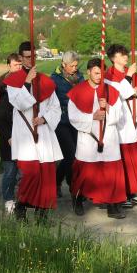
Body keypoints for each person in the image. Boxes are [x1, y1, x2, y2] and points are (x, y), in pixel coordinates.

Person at [3, 53, 63, 221]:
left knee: (46, 178)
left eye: (33, 56)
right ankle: (21, 207)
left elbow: (55, 107)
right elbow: (21, 103)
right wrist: (27, 81)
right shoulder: (14, 81)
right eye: (27, 57)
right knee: (31, 176)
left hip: (44, 135)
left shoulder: (45, 81)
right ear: (21, 59)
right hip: (25, 137)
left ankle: (42, 215)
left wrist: (44, 119)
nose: (31, 59)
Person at [68, 58, 127, 219]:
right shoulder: (78, 91)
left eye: (102, 73)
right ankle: (78, 198)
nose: (99, 76)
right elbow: (72, 116)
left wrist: (108, 107)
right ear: (88, 72)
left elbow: (120, 115)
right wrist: (92, 117)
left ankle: (113, 206)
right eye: (96, 72)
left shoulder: (112, 91)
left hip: (108, 138)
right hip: (89, 138)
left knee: (111, 173)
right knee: (86, 172)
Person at [105, 44, 137, 207]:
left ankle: (134, 187)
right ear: (113, 58)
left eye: (126, 54)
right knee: (126, 159)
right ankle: (126, 193)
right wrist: (128, 78)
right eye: (121, 54)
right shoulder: (109, 77)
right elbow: (118, 95)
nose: (125, 57)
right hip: (122, 122)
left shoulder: (136, 76)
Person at [51, 51, 84, 198]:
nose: (75, 68)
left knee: (73, 155)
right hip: (61, 120)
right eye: (72, 66)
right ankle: (73, 188)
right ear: (64, 65)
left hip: (77, 120)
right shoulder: (54, 78)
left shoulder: (80, 76)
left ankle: (56, 181)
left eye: (76, 65)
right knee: (70, 155)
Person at [0, 53, 24, 213]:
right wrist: (7, 135)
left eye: (20, 65)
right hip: (9, 136)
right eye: (15, 65)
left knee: (23, 170)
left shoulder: (27, 82)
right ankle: (8, 198)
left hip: (24, 136)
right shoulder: (3, 86)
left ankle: (22, 198)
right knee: (10, 170)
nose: (18, 68)